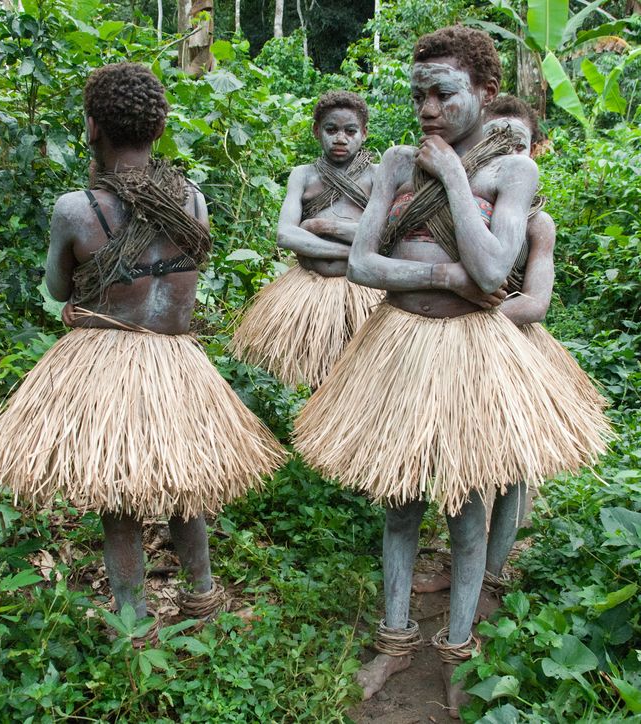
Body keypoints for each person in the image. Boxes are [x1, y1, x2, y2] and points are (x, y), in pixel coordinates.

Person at [293, 28, 609, 717]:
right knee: (399, 504)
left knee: (467, 512)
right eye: (418, 95)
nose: (427, 107)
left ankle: (458, 649)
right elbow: (362, 265)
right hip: (399, 346)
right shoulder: (395, 163)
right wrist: (442, 273)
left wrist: (455, 177)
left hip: (470, 353)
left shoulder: (510, 172)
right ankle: (395, 641)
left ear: (485, 94)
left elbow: (496, 270)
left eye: (443, 93)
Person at [0, 62, 285, 624]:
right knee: (187, 487)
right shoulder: (192, 199)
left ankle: (134, 621)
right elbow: (187, 271)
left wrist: (92, 293)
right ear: (159, 128)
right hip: (178, 360)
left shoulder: (77, 209)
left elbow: (57, 287)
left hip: (109, 361)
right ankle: (202, 595)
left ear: (93, 126)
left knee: (119, 499)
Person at [413, 95, 608, 595]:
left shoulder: (538, 223)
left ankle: (491, 578)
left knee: (511, 472)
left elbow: (535, 303)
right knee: (467, 460)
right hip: (462, 346)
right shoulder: (457, 201)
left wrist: (475, 314)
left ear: (532, 150)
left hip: (514, 347)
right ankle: (463, 569)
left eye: (515, 142)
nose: (504, 150)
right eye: (493, 138)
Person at [230, 91, 381, 389]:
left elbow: (381, 236)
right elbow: (286, 234)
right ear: (316, 131)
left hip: (361, 291)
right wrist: (352, 248)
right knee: (320, 374)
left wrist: (322, 225)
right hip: (310, 287)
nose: (340, 138)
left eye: (350, 131)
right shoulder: (303, 175)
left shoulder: (377, 176)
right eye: (331, 130)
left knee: (360, 372)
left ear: (363, 133)